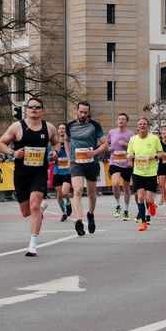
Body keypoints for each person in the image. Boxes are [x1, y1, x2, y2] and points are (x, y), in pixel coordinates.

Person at [0, 97, 59, 256]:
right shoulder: (17, 127)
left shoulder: (49, 127)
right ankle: (40, 209)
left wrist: (55, 152)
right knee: (26, 212)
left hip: (39, 172)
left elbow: (56, 142)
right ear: (27, 109)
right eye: (31, 107)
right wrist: (13, 153)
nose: (34, 109)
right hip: (21, 173)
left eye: (37, 107)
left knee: (34, 205)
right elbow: (0, 144)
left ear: (42, 110)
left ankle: (33, 244)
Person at [65, 100, 106, 236]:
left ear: (89, 113)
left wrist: (94, 152)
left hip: (91, 163)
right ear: (76, 111)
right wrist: (69, 158)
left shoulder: (95, 125)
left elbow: (104, 144)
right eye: (81, 112)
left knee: (91, 193)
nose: (82, 114)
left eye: (85, 112)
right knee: (77, 191)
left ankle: (90, 214)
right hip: (76, 163)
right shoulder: (69, 126)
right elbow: (66, 140)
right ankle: (78, 221)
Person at [126, 117, 162, 231]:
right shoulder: (133, 139)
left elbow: (161, 153)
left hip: (150, 172)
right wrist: (129, 158)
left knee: (149, 198)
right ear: (137, 127)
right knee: (140, 197)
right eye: (140, 124)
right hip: (138, 172)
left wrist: (155, 157)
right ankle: (143, 222)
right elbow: (129, 154)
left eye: (144, 124)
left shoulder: (154, 139)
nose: (142, 126)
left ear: (148, 126)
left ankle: (151, 204)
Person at [106, 113, 134, 220]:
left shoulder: (130, 134)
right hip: (115, 162)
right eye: (119, 119)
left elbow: (134, 147)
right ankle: (118, 205)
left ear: (126, 121)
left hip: (126, 164)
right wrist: (109, 148)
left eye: (123, 119)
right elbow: (107, 143)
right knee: (115, 184)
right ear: (117, 121)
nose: (121, 121)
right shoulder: (112, 132)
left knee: (127, 188)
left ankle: (126, 210)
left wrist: (126, 144)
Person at [53, 123, 72, 222]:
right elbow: (49, 156)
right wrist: (52, 157)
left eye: (63, 128)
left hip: (67, 171)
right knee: (59, 194)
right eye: (59, 128)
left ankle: (68, 202)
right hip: (57, 172)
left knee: (65, 192)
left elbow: (73, 154)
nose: (61, 130)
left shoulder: (69, 142)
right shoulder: (54, 143)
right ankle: (63, 213)